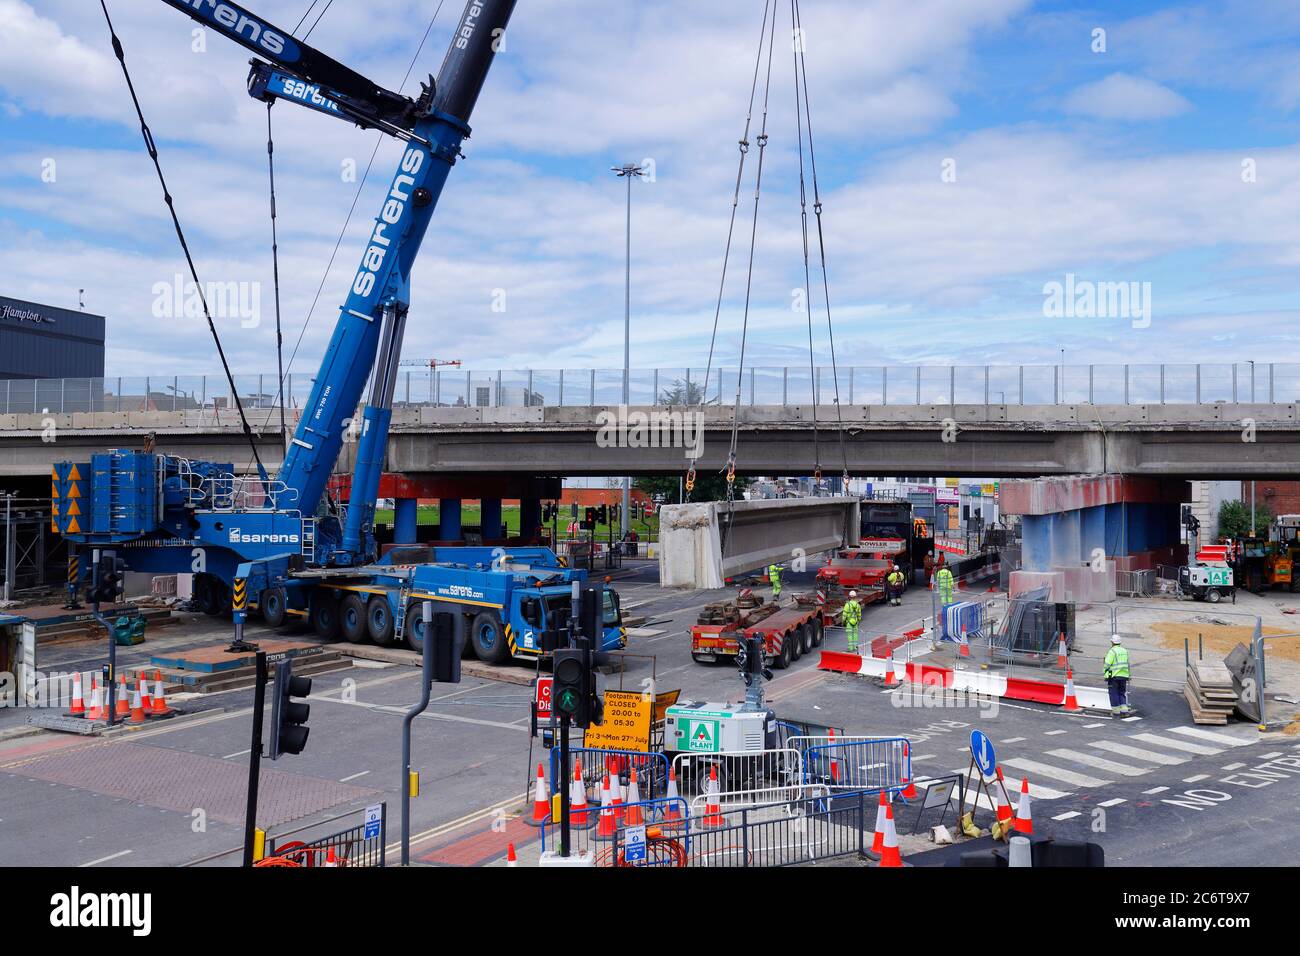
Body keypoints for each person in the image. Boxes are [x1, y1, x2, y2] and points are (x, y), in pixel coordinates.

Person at [1104, 634, 1131, 715]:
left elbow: (1107, 664)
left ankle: (1116, 711)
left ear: (1112, 642)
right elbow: (1127, 663)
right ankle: (1124, 710)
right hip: (1124, 676)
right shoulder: (1125, 651)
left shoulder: (1112, 651)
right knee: (1122, 692)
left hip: (1114, 676)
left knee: (1113, 693)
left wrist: (1105, 672)